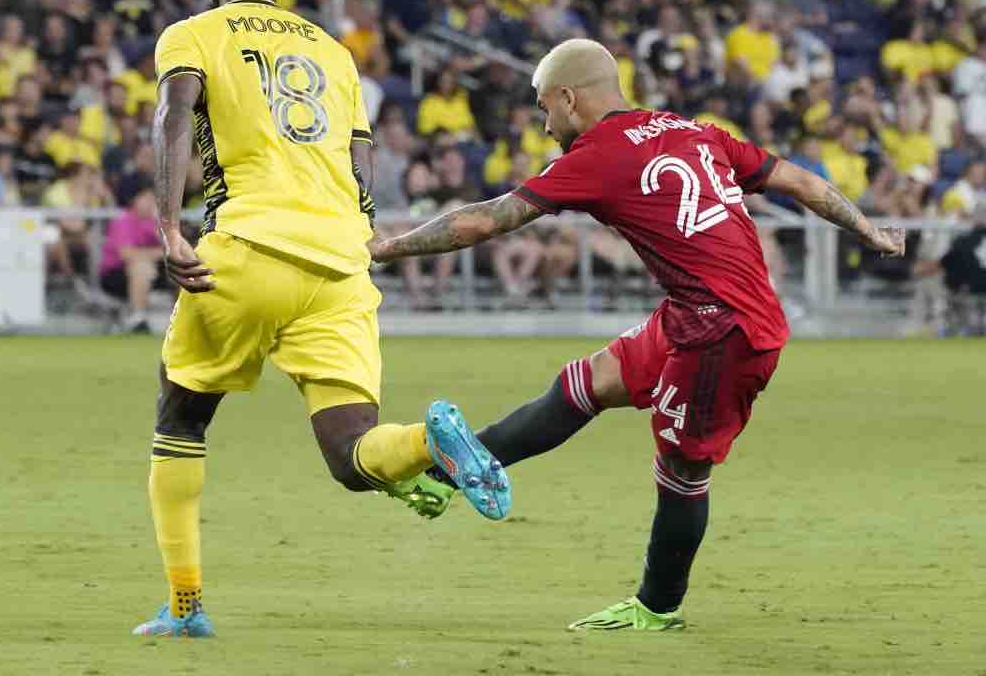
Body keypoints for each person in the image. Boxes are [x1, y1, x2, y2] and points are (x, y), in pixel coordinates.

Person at [370, 39, 905, 631]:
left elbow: (485, 219)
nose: (546, 127)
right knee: (587, 382)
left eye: (546, 109)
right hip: (693, 312)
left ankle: (657, 607)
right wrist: (869, 230)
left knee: (682, 468)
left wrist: (389, 248)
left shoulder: (597, 154)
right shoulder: (696, 130)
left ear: (569, 99)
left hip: (725, 332)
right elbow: (800, 181)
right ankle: (449, 476)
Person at [133, 0, 508, 639]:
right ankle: (430, 446)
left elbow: (175, 119)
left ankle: (184, 606)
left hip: (247, 249)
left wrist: (170, 227)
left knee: (181, 418)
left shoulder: (192, 35)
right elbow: (359, 153)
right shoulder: (335, 51)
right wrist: (360, 232)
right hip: (340, 262)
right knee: (351, 454)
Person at [99, 179, 166, 332]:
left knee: (183, 265)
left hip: (153, 271)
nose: (151, 203)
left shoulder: (156, 222)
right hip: (115, 275)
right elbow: (127, 255)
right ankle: (138, 318)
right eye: (147, 198)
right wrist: (160, 253)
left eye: (154, 199)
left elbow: (173, 249)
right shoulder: (123, 221)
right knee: (141, 266)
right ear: (134, 200)